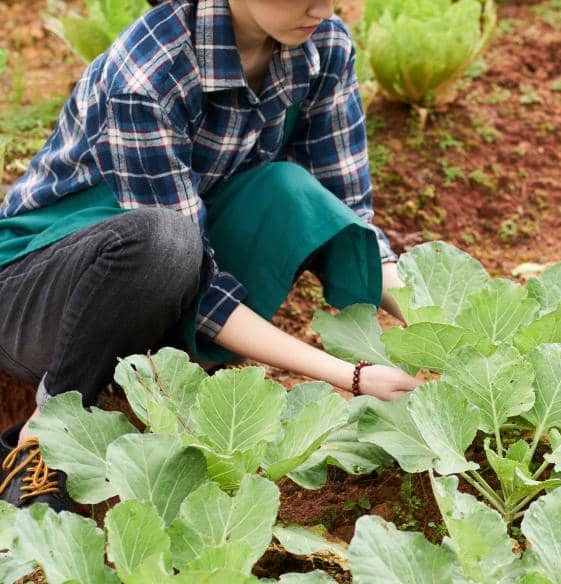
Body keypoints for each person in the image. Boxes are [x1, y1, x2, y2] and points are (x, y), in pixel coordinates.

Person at [0, 0, 422, 512]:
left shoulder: (322, 43)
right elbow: (195, 280)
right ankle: (43, 438)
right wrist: (349, 375)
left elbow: (347, 211)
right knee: (166, 242)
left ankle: (161, 382)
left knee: (288, 191)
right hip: (35, 289)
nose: (321, 7)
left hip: (167, 275)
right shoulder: (149, 71)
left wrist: (435, 325)